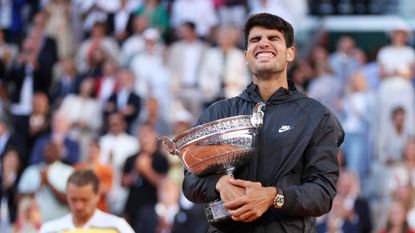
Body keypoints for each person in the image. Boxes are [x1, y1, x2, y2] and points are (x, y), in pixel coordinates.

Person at [182, 13, 344, 233]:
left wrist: (273, 197)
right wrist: (219, 184)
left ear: (290, 53)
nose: (264, 43)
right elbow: (190, 182)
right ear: (246, 55)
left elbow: (323, 194)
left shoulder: (317, 116)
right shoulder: (218, 111)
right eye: (255, 40)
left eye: (273, 38)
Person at [39, 169, 135, 233]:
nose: (79, 206)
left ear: (97, 196)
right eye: (73, 199)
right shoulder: (50, 229)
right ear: (67, 195)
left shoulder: (117, 227)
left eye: (85, 200)